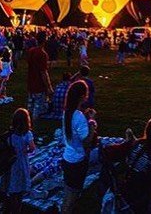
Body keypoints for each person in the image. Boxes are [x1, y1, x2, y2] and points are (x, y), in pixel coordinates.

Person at [61, 81, 97, 213]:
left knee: (68, 191)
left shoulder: (67, 113)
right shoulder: (78, 117)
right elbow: (87, 141)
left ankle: (65, 209)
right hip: (77, 161)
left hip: (67, 157)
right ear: (82, 97)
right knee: (73, 195)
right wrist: (92, 122)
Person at [5, 108, 36, 213]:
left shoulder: (10, 135)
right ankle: (17, 208)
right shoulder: (27, 134)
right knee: (20, 188)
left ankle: (11, 205)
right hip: (22, 162)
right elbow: (32, 148)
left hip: (12, 163)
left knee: (13, 186)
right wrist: (26, 151)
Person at [25, 32, 53, 122]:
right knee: (38, 107)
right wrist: (49, 87)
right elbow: (43, 72)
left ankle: (27, 122)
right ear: (45, 40)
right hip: (39, 85)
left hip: (30, 82)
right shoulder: (42, 54)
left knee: (30, 105)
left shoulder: (31, 51)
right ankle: (34, 124)